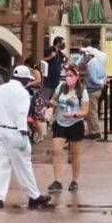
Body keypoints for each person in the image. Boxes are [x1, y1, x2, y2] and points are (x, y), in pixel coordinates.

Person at [0, 65, 53, 210]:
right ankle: (34, 196)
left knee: (2, 164)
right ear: (23, 79)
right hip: (15, 132)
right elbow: (21, 114)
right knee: (23, 165)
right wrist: (23, 134)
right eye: (27, 80)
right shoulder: (22, 93)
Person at [47, 63, 90, 196]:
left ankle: (75, 180)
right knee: (57, 151)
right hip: (60, 122)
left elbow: (85, 111)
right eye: (67, 75)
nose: (68, 78)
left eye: (71, 75)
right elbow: (53, 99)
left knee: (75, 154)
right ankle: (57, 180)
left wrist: (75, 114)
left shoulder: (82, 91)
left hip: (75, 123)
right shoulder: (61, 87)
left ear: (77, 77)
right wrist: (53, 104)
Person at [83, 47, 106, 140]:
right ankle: (93, 130)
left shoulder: (90, 64)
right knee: (93, 110)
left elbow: (93, 78)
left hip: (92, 89)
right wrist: (102, 81)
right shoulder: (98, 62)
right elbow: (104, 75)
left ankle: (94, 131)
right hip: (97, 89)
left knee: (91, 112)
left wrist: (100, 82)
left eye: (85, 54)